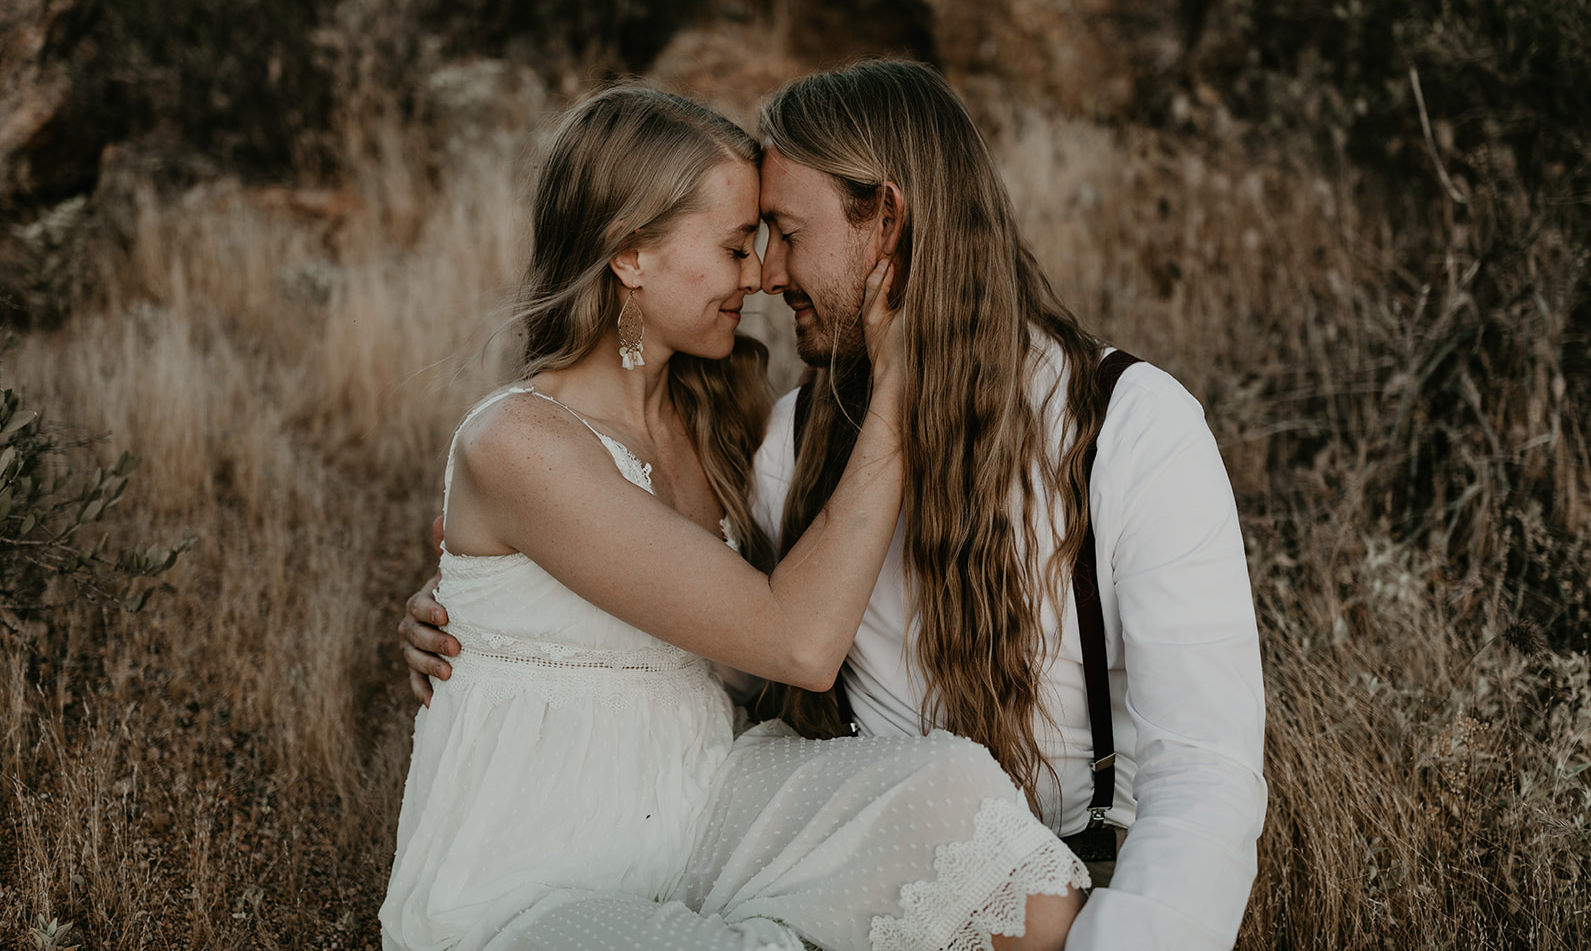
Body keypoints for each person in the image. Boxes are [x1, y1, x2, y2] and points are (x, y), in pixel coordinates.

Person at [403, 61, 1267, 949]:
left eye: (778, 232)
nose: (767, 275)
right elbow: (751, 640)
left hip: (1070, 889)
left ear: (885, 223)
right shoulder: (790, 441)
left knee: (955, 792)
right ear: (628, 252)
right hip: (615, 842)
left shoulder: (1132, 432)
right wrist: (486, 611)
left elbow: (1204, 777)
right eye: (745, 241)